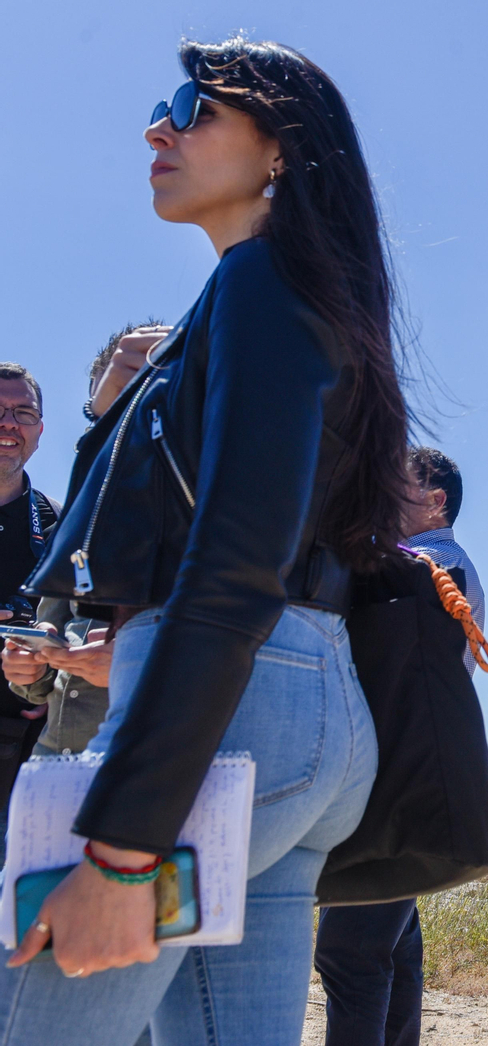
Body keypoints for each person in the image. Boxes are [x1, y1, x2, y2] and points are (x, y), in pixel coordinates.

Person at [0, 36, 413, 1046]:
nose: (158, 126)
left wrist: (123, 851)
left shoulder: (260, 283)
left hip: (230, 715)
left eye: (193, 106)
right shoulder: (309, 293)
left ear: (281, 149)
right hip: (303, 711)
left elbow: (231, 564)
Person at [313, 445, 487, 1046]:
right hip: (413, 776)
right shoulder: (442, 567)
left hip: (391, 781)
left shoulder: (425, 568)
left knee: (347, 954)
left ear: (435, 501)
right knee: (395, 945)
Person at [1, 326, 169, 758]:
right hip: (55, 763)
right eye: (105, 414)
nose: (119, 427)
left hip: (150, 768)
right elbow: (44, 655)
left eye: (23, 412)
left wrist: (135, 665)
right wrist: (26, 668)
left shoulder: (228, 514)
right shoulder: (76, 523)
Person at [0, 362, 59, 823]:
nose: (9, 423)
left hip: (21, 758)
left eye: (23, 413)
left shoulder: (67, 525)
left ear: (39, 430)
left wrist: (51, 685)